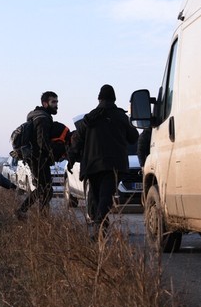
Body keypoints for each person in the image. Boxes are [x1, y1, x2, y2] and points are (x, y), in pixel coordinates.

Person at [71, 84, 139, 235]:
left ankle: (100, 229)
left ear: (99, 98)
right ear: (114, 99)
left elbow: (77, 140)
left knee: (97, 198)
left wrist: (72, 158)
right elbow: (134, 138)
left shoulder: (89, 118)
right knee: (105, 197)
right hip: (114, 165)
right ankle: (99, 229)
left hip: (93, 165)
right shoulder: (121, 117)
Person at [17, 91, 59, 218]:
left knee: (45, 189)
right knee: (44, 188)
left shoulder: (38, 116)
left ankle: (41, 217)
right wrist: (53, 154)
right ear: (45, 104)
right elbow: (42, 142)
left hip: (35, 158)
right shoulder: (43, 118)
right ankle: (23, 211)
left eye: (57, 102)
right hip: (39, 158)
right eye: (53, 102)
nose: (56, 105)